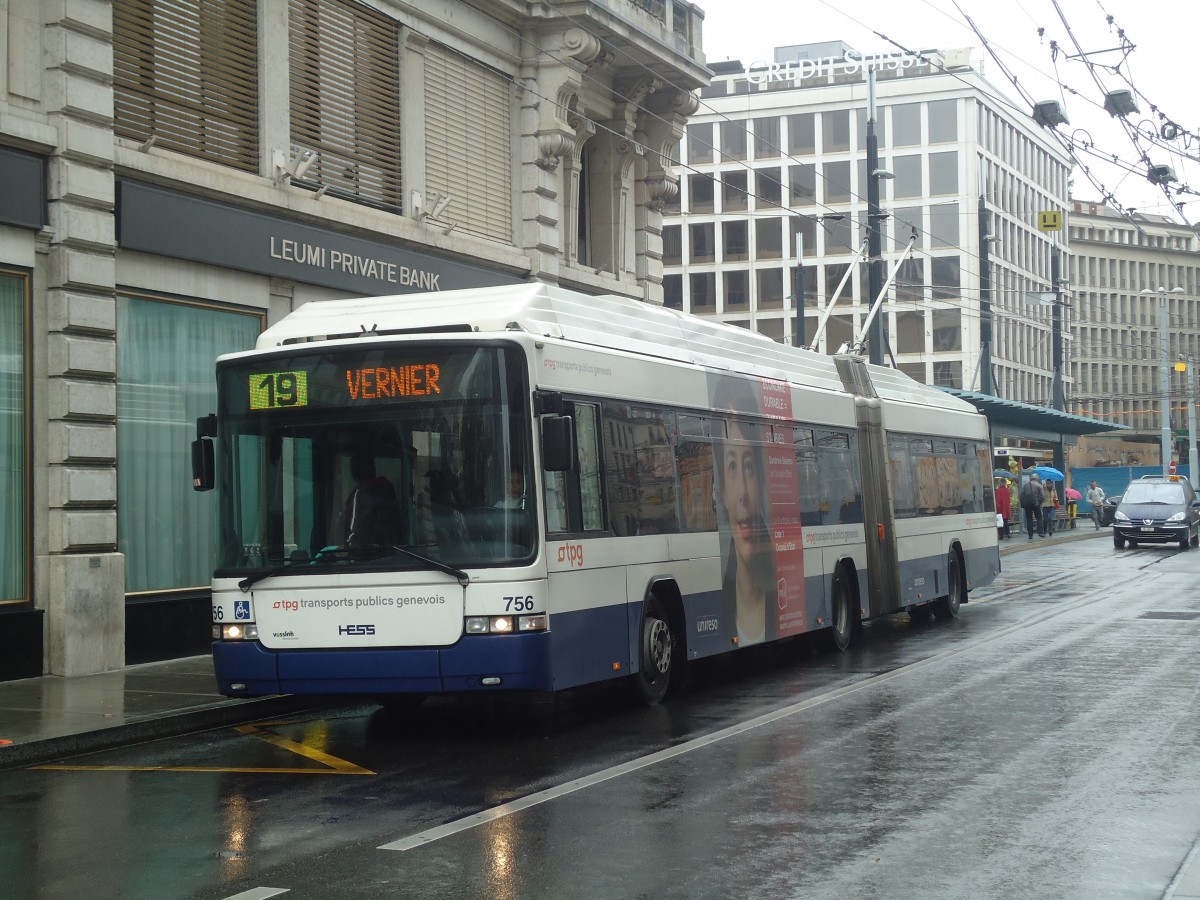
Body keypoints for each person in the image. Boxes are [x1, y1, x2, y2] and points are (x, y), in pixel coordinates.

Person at [715, 417, 773, 646]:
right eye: (731, 467)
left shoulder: (780, 585)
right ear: (722, 491)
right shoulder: (721, 600)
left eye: (749, 467)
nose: (743, 494)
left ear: (761, 480)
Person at [344, 451, 400, 548]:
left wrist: (348, 547)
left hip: (366, 555)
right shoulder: (387, 489)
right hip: (390, 553)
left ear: (354, 471)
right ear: (373, 468)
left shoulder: (360, 494)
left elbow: (356, 531)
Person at [1019, 473, 1044, 540]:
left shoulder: (1025, 485)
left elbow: (1021, 495)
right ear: (1037, 479)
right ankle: (1040, 532)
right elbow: (1042, 496)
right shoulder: (1039, 486)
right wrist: (1039, 503)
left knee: (1029, 519)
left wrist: (1023, 503)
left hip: (1027, 505)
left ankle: (1030, 535)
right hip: (1036, 504)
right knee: (1039, 517)